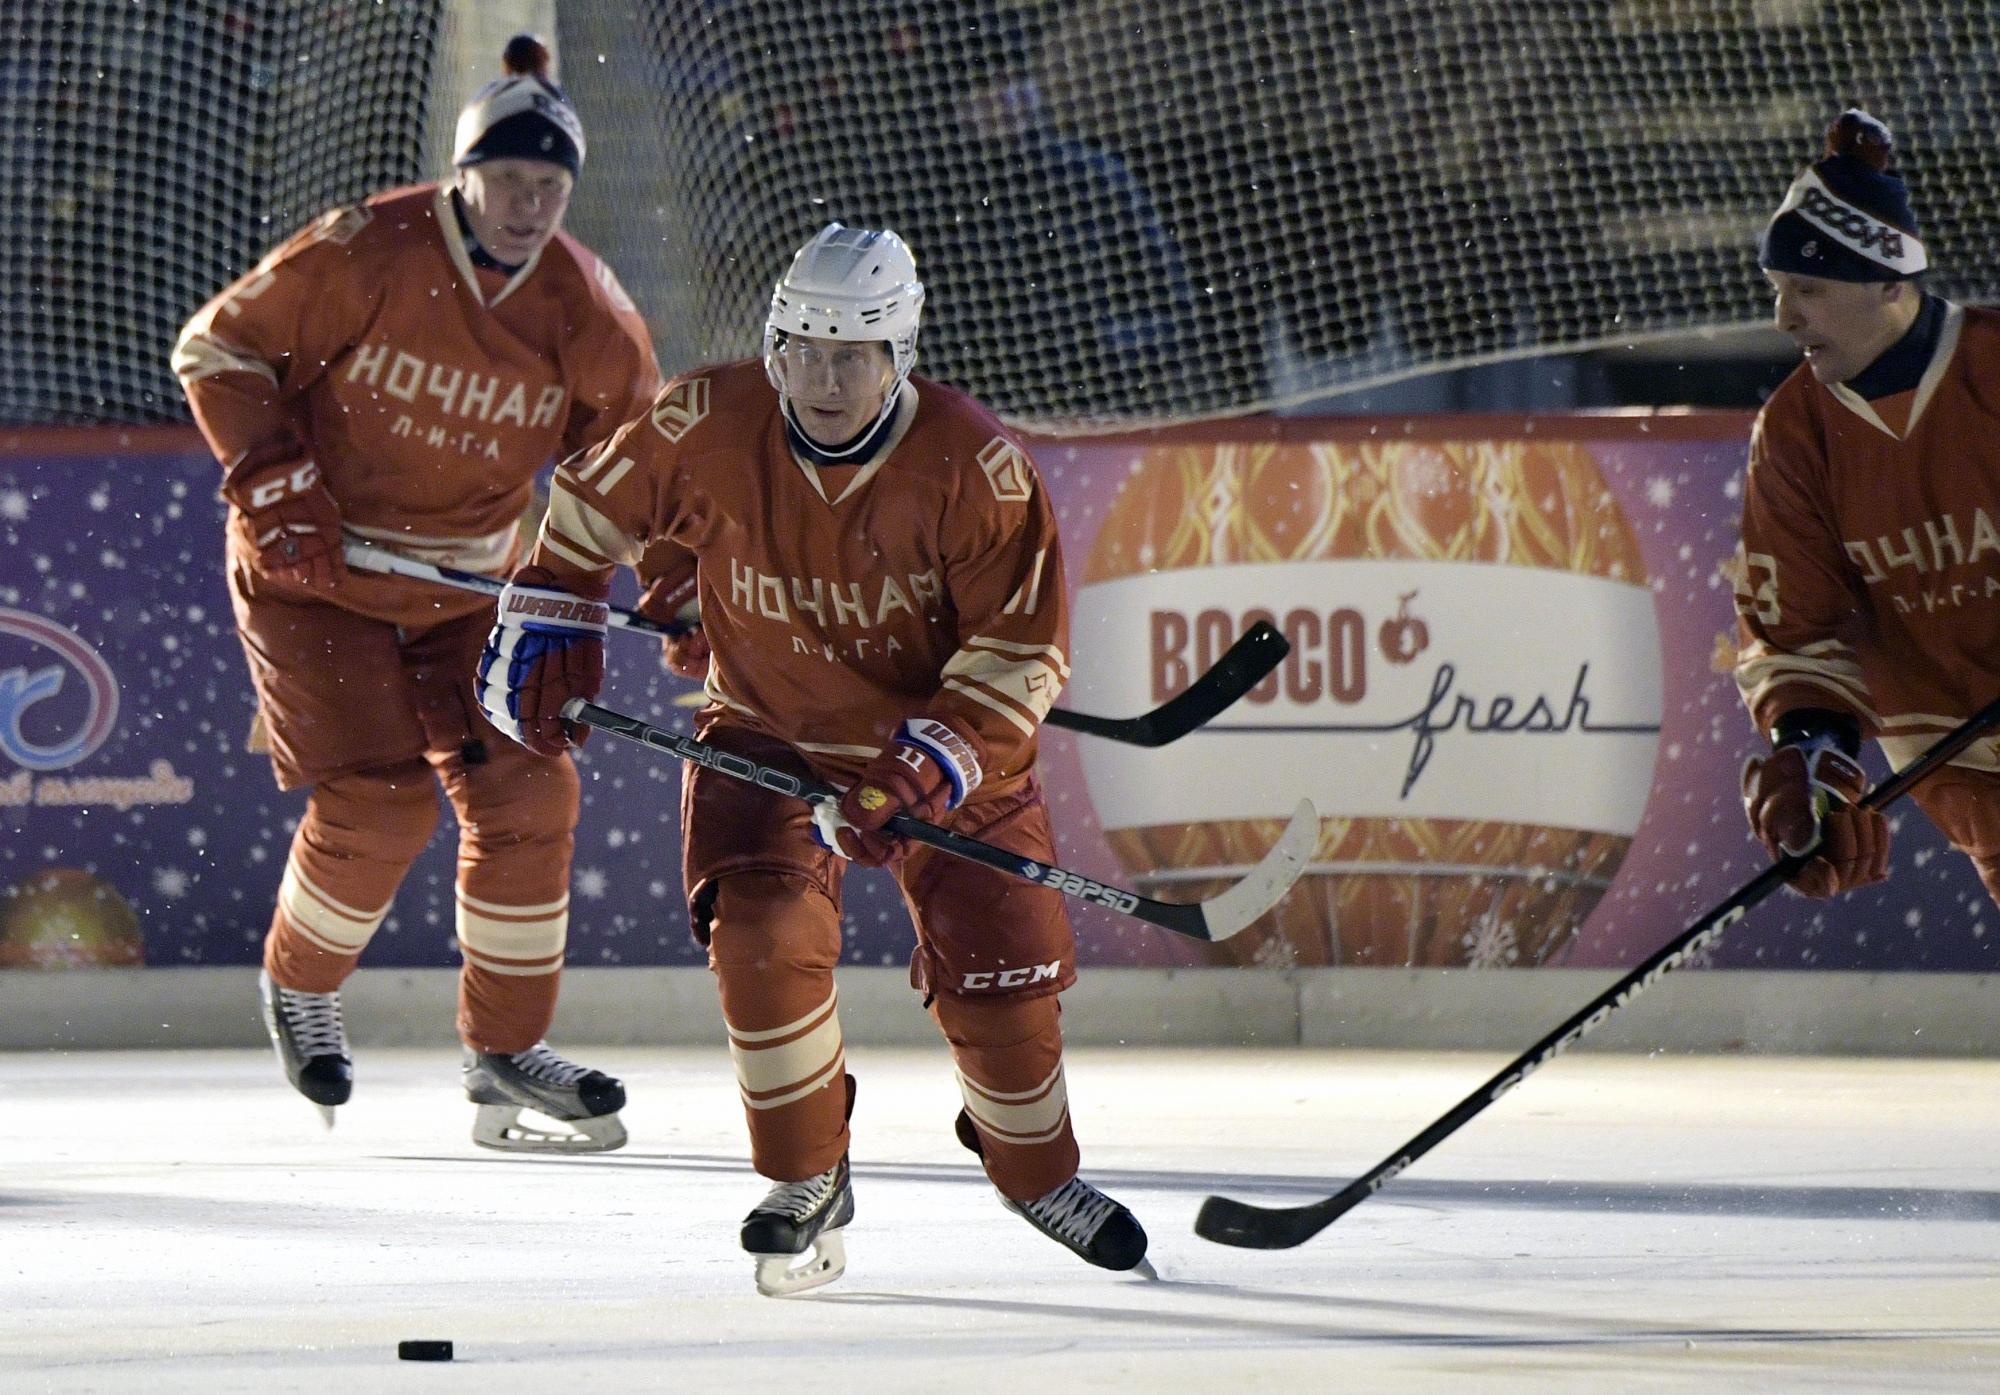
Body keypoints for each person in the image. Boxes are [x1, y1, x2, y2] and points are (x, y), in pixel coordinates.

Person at [475, 222, 1152, 1294]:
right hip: (765, 733)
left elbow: (1021, 656)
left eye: (853, 355)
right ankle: (806, 1175)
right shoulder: (709, 415)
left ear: (901, 356)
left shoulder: (978, 468)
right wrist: (553, 608)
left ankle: (1030, 1173)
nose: (821, 378)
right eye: (801, 348)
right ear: (773, 343)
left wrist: (919, 770)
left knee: (1003, 983)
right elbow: (592, 504)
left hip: (935, 755)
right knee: (760, 937)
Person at [172, 35, 679, 1152]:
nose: (527, 204)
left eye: (549, 187)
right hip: (317, 577)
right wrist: (271, 477)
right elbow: (215, 349)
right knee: (381, 801)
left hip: (468, 590)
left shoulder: (587, 311)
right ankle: (299, 985)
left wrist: (669, 586)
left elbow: (635, 474)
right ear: (464, 174)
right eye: (508, 180)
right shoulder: (368, 248)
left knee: (530, 796)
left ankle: (502, 1053)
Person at [1732, 110, 2000, 905]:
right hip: (1972, 783)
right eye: (1780, 292)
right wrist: (1814, 771)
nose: (1785, 318)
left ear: (1890, 280)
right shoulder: (1793, 434)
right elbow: (1798, 637)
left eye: (1807, 288)